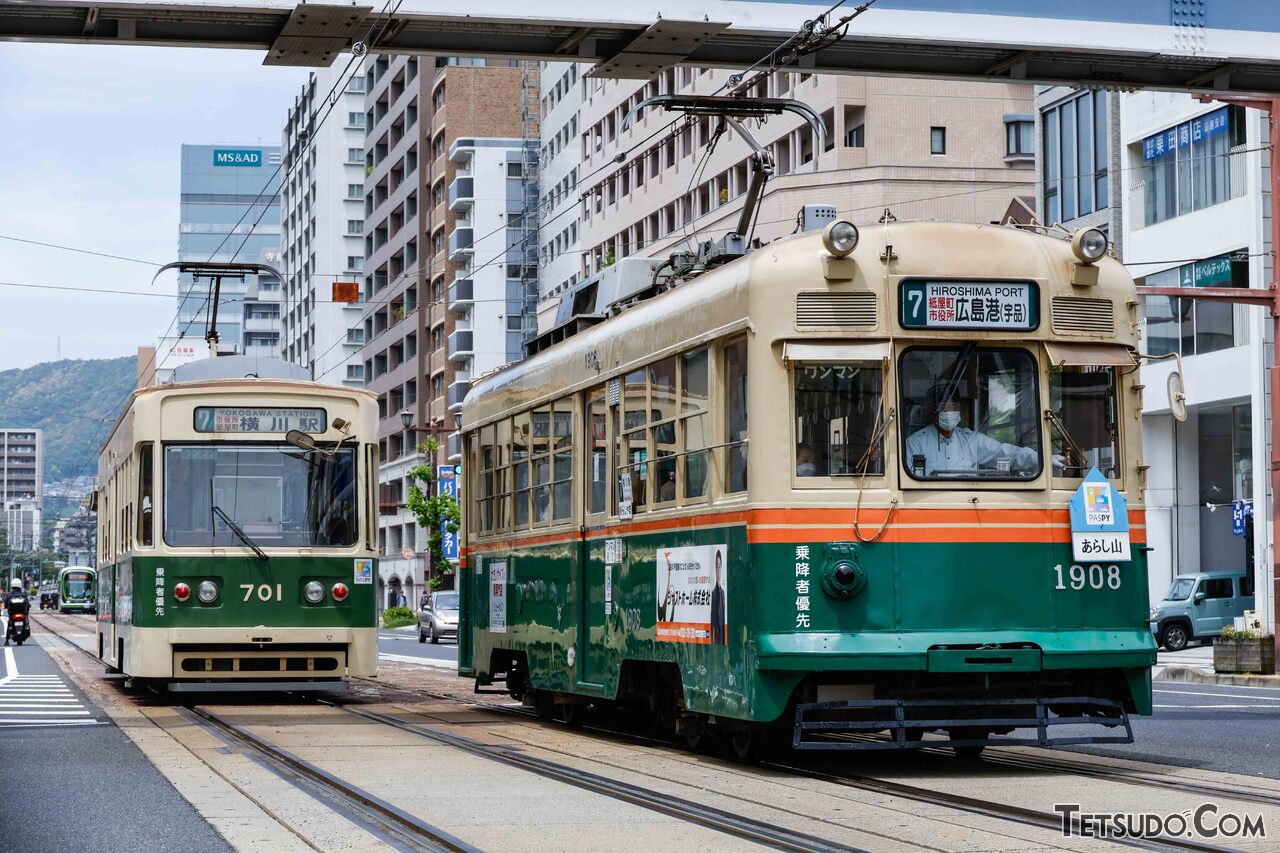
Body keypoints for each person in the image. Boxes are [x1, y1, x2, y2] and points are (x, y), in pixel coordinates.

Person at [905, 389, 1051, 477]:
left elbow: (1005, 453)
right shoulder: (916, 443)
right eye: (944, 409)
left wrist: (1042, 459)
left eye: (954, 408)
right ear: (932, 413)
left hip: (969, 502)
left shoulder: (971, 440)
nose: (950, 413)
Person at [4, 579, 30, 646]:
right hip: (22, 614)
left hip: (12, 614)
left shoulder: (8, 595)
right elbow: (28, 604)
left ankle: (7, 641)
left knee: (10, 625)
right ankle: (26, 628)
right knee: (26, 622)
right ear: (20, 585)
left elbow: (5, 605)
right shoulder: (23, 594)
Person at [709, 550, 726, 646]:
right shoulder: (712, 593)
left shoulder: (723, 593)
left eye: (720, 566)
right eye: (716, 566)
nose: (718, 569)